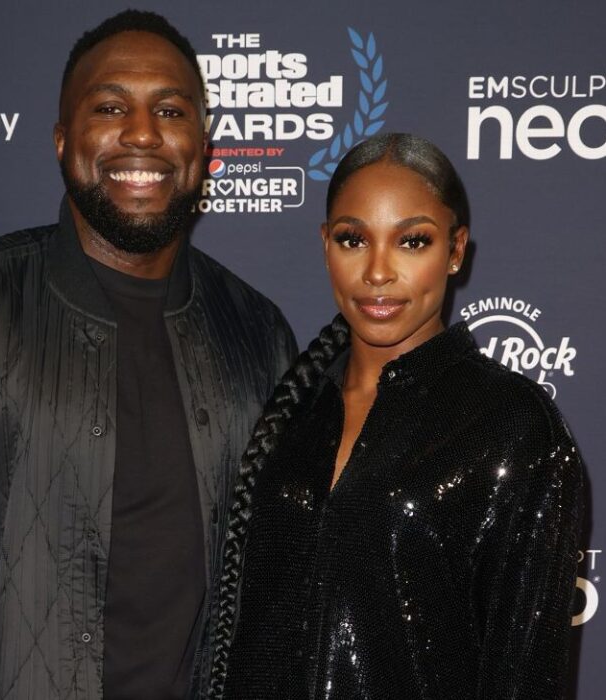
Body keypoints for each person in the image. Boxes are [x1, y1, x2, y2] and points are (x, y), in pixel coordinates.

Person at [0, 10, 296, 700]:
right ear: (63, 140)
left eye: (170, 111)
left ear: (204, 146)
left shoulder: (257, 332)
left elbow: (274, 583)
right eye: (111, 107)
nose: (142, 132)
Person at [208, 133, 583, 700]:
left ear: (455, 250)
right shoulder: (294, 409)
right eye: (353, 239)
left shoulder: (513, 426)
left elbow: (525, 675)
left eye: (412, 241)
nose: (378, 271)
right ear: (326, 246)